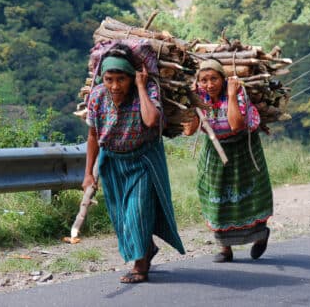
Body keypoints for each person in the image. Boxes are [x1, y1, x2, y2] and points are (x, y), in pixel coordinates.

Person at [83, 44, 185, 283]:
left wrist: (140, 86)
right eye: (109, 79)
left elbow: (151, 120)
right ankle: (147, 249)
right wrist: (88, 173)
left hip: (142, 160)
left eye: (122, 79)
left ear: (132, 76)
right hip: (113, 165)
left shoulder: (147, 89)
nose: (115, 86)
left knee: (137, 211)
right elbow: (93, 136)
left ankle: (140, 266)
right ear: (102, 78)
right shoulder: (97, 96)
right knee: (123, 217)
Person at [182, 59, 273, 262]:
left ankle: (260, 236)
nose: (209, 84)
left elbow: (236, 125)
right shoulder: (199, 96)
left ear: (223, 79)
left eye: (214, 78)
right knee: (216, 197)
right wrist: (192, 102)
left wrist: (231, 94)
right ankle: (225, 248)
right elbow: (188, 131)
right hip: (215, 151)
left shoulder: (238, 93)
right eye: (204, 80)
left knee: (250, 194)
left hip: (243, 149)